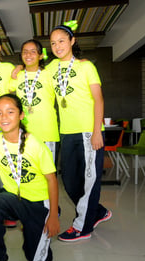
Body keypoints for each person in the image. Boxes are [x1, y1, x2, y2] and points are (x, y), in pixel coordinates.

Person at [0, 94, 59, 261]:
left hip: (38, 202)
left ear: (21, 115)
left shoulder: (35, 144)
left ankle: (40, 223)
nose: (4, 117)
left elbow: (52, 180)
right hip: (13, 198)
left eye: (10, 112)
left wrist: (53, 214)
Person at [47, 22, 112, 242]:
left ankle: (82, 227)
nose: (57, 46)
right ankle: (98, 212)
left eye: (61, 41)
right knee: (70, 181)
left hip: (88, 131)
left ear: (72, 41)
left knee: (89, 180)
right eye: (53, 43)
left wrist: (96, 131)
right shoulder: (51, 68)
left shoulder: (86, 67)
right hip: (66, 133)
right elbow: (32, 75)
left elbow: (98, 99)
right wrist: (18, 69)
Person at [9, 39, 59, 163]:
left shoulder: (50, 73)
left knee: (48, 173)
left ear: (41, 55)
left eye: (33, 51)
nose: (28, 55)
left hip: (47, 133)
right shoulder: (17, 75)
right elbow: (9, 94)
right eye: (25, 52)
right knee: (28, 173)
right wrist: (18, 68)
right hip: (24, 132)